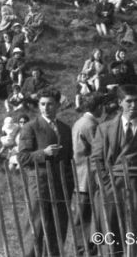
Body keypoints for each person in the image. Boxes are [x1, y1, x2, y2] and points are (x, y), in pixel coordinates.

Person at [18, 88, 74, 257]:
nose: (45, 108)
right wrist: (44, 153)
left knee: (58, 228)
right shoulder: (30, 127)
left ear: (57, 105)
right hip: (39, 185)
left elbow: (69, 158)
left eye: (50, 104)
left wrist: (69, 184)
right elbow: (23, 158)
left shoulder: (65, 129)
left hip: (61, 186)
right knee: (35, 228)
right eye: (42, 104)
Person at [92, 84, 137, 252]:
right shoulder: (105, 128)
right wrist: (104, 182)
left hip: (136, 185)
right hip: (112, 185)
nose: (133, 106)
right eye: (129, 101)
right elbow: (96, 159)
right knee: (112, 235)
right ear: (120, 102)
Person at [72, 93, 104, 256]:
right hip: (87, 175)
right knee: (85, 215)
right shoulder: (91, 125)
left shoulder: (80, 121)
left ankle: (84, 247)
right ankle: (85, 249)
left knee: (83, 214)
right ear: (99, 107)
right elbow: (98, 149)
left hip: (80, 174)